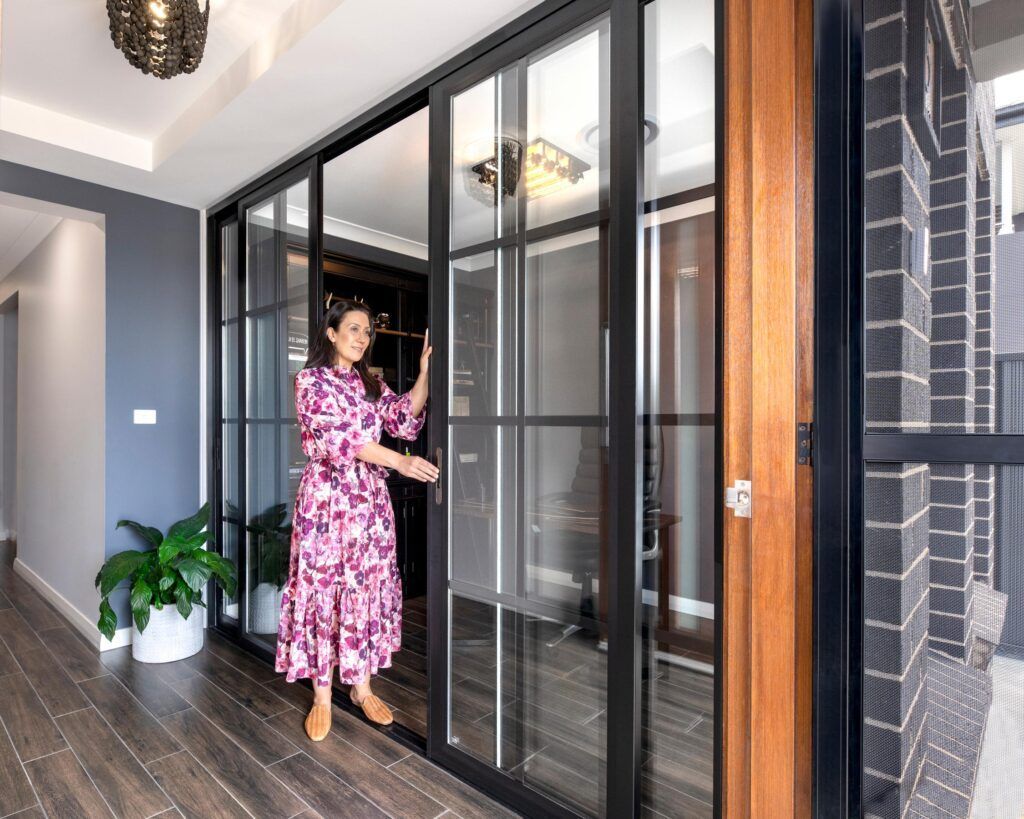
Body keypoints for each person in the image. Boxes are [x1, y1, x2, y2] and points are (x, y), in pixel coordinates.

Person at [274, 299, 439, 741]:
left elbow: (404, 421)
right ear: (331, 333)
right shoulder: (310, 381)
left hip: (368, 502)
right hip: (327, 502)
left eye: (367, 331)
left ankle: (362, 686)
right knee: (324, 588)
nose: (362, 337)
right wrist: (401, 464)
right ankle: (323, 695)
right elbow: (340, 439)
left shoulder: (372, 384)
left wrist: (424, 372)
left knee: (364, 586)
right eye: (353, 328)